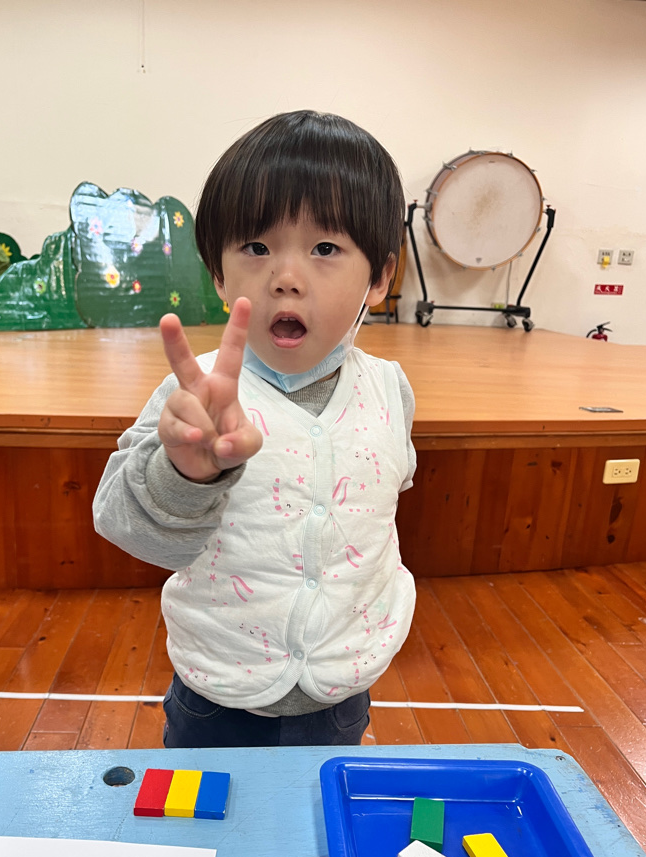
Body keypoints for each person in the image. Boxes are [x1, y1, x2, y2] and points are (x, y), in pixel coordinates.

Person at [93, 110, 417, 747]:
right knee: (207, 809)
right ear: (218, 274)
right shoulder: (192, 399)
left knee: (319, 812)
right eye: (256, 248)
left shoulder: (389, 389)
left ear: (379, 277)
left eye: (326, 249)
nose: (286, 278)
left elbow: (377, 511)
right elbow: (123, 523)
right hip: (217, 696)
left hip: (342, 690)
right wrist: (185, 474)